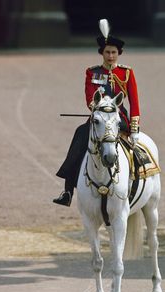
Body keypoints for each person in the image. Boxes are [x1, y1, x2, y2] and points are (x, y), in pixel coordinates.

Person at [53, 19, 140, 206]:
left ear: (119, 54)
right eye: (107, 52)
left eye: (114, 52)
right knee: (80, 136)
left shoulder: (126, 73)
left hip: (120, 118)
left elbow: (134, 102)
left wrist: (134, 130)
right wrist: (99, 109)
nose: (110, 56)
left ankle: (139, 185)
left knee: (138, 153)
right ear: (102, 53)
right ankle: (68, 191)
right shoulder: (92, 73)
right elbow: (89, 98)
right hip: (100, 117)